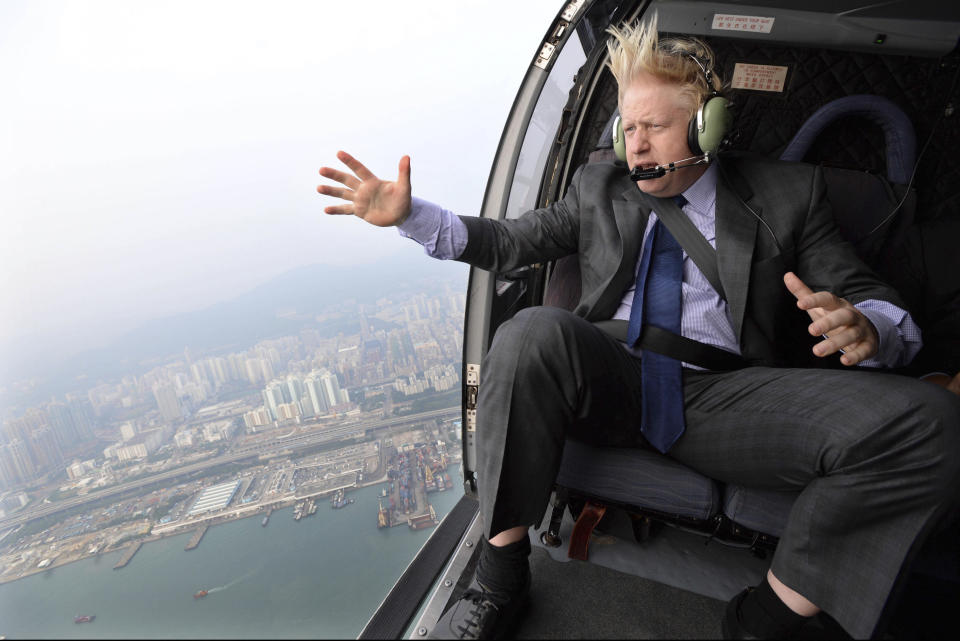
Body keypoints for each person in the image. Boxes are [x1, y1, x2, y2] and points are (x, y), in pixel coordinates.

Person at [317, 19, 960, 640]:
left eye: (655, 126)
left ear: (708, 126)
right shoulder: (599, 186)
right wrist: (411, 217)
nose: (638, 146)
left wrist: (869, 328)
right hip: (607, 375)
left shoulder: (790, 196)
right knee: (529, 331)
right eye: (629, 129)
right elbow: (510, 242)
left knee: (933, 420)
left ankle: (772, 617)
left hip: (721, 397)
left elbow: (870, 296)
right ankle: (499, 578)